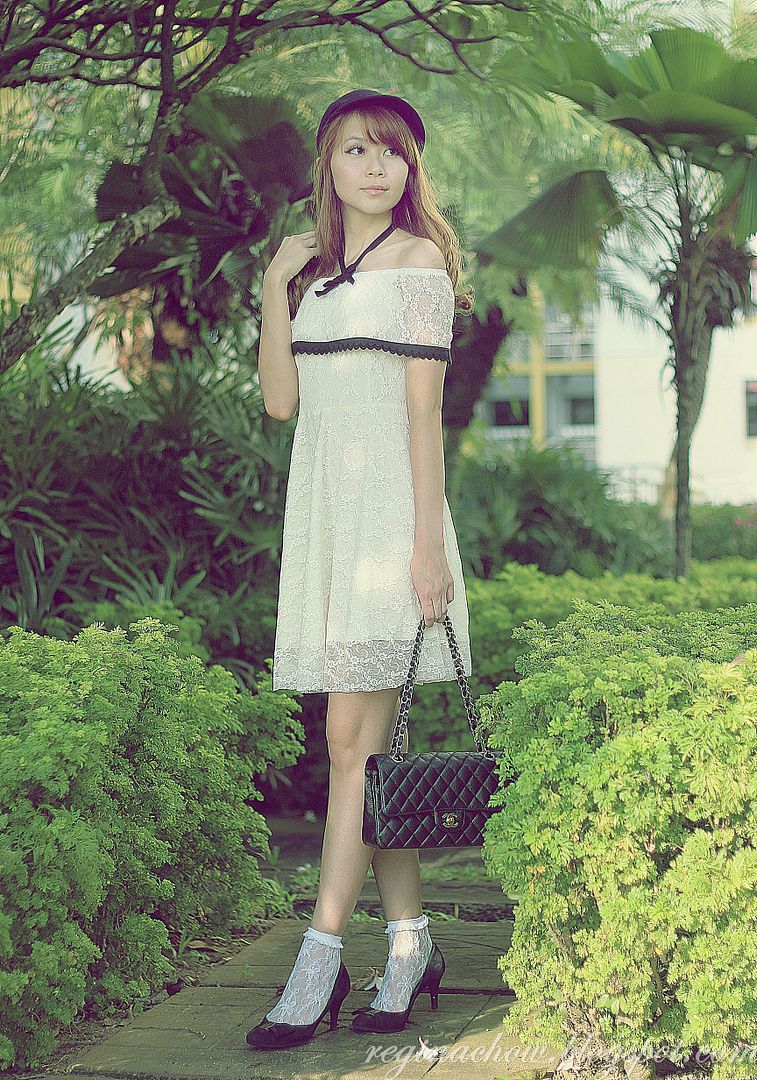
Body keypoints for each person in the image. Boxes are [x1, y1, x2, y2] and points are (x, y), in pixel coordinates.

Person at [247, 89, 474, 1051]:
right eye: (354, 151)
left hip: (390, 530)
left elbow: (423, 416)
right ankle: (411, 944)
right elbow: (279, 402)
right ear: (328, 167)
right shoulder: (313, 276)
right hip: (328, 526)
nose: (374, 167)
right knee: (370, 757)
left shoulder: (419, 265)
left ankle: (319, 957)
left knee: (348, 747)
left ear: (410, 168)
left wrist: (425, 549)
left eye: (391, 152)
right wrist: (273, 285)